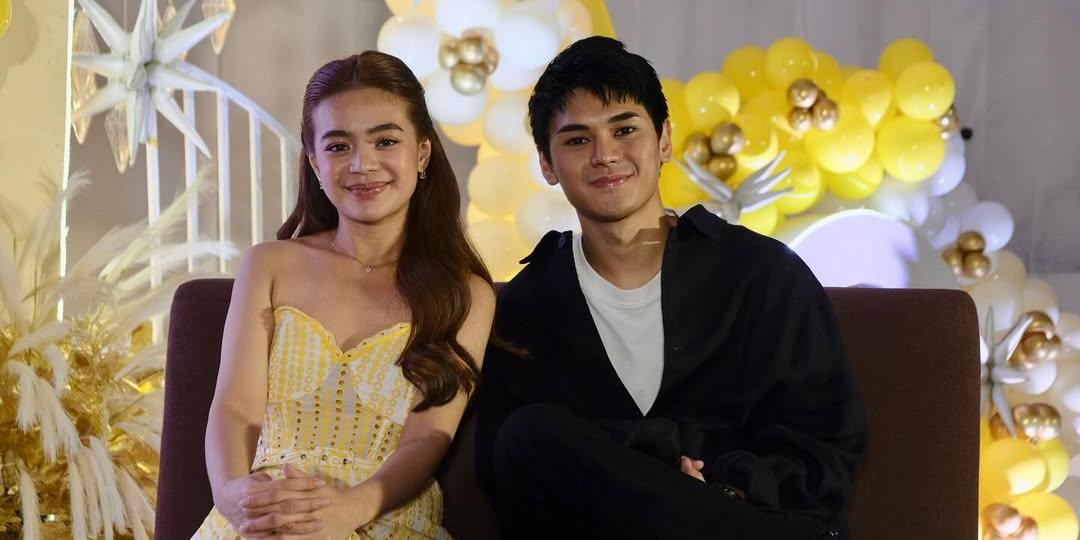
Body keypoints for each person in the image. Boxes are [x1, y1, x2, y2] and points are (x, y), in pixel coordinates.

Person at [475, 36, 866, 540]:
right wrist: (659, 469)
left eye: (624, 130)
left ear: (664, 140)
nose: (605, 155)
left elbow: (825, 439)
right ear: (547, 164)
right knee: (528, 437)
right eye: (577, 140)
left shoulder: (761, 273)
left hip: (748, 523)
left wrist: (726, 490)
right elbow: (510, 475)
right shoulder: (527, 306)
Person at [193, 51, 495, 540]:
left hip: (383, 514)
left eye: (385, 141)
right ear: (315, 162)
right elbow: (235, 407)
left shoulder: (466, 294)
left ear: (422, 153)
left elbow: (427, 438)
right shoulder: (268, 265)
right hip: (265, 511)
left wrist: (349, 509)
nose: (362, 164)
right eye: (338, 146)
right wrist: (234, 497)